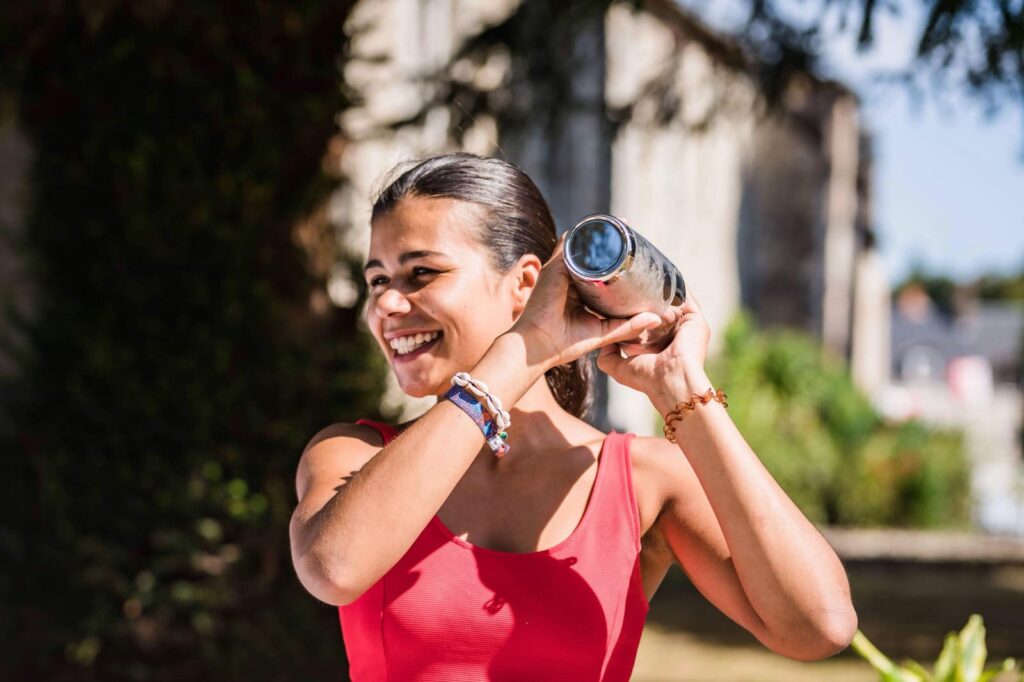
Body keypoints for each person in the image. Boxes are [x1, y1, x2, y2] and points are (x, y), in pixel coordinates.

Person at [289, 152, 857, 680]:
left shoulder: (643, 480)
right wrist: (520, 352)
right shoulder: (355, 454)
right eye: (378, 281)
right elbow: (335, 567)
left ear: (526, 286)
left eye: (421, 274)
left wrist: (685, 389)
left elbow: (819, 626)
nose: (386, 305)